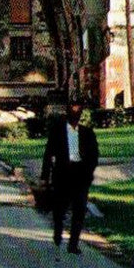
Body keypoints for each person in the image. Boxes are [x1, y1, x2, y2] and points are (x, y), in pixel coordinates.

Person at [41, 99, 100, 254]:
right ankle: (58, 230)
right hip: (62, 174)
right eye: (72, 111)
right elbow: (48, 154)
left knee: (79, 209)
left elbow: (94, 155)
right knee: (59, 208)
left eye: (78, 111)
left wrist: (88, 172)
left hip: (80, 175)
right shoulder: (58, 131)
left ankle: (73, 243)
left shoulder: (87, 133)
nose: (75, 114)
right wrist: (44, 176)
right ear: (68, 113)